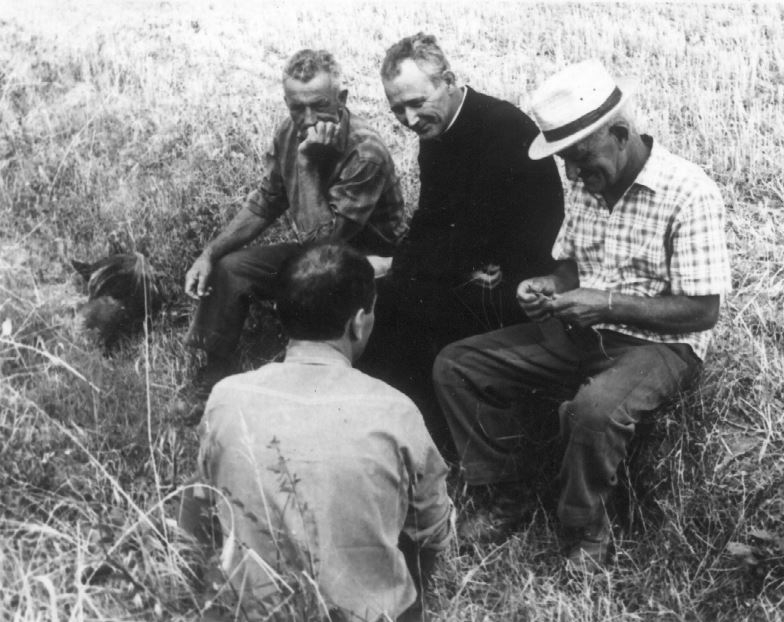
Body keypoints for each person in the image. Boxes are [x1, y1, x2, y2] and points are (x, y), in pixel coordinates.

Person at [432, 60, 732, 571]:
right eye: (566, 162)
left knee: (591, 412)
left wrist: (607, 304)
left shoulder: (689, 192)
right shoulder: (590, 182)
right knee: (458, 366)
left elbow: (702, 310)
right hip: (581, 330)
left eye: (579, 159)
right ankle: (507, 492)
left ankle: (585, 530)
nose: (572, 175)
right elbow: (571, 265)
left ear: (619, 134)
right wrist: (549, 287)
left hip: (660, 346)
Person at [180, 242, 452, 621]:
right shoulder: (396, 411)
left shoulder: (227, 397)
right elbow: (434, 535)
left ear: (279, 312)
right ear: (358, 322)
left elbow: (200, 507)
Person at [360, 33, 564, 451]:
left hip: (516, 284)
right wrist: (400, 265)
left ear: (448, 80)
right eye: (397, 108)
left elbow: (533, 228)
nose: (410, 118)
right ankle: (396, 428)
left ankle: (434, 441)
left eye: (417, 102)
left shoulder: (503, 128)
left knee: (405, 307)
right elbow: (434, 218)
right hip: (470, 268)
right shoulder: (438, 130)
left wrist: (408, 268)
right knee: (383, 296)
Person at [183, 48, 406, 389]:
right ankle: (213, 370)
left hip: (367, 257)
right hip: (316, 249)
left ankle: (303, 370)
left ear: (341, 99)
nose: (308, 118)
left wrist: (306, 166)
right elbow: (265, 202)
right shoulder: (288, 133)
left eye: (318, 104)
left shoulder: (365, 151)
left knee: (318, 287)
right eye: (296, 107)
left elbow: (325, 246)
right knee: (232, 268)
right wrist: (209, 254)